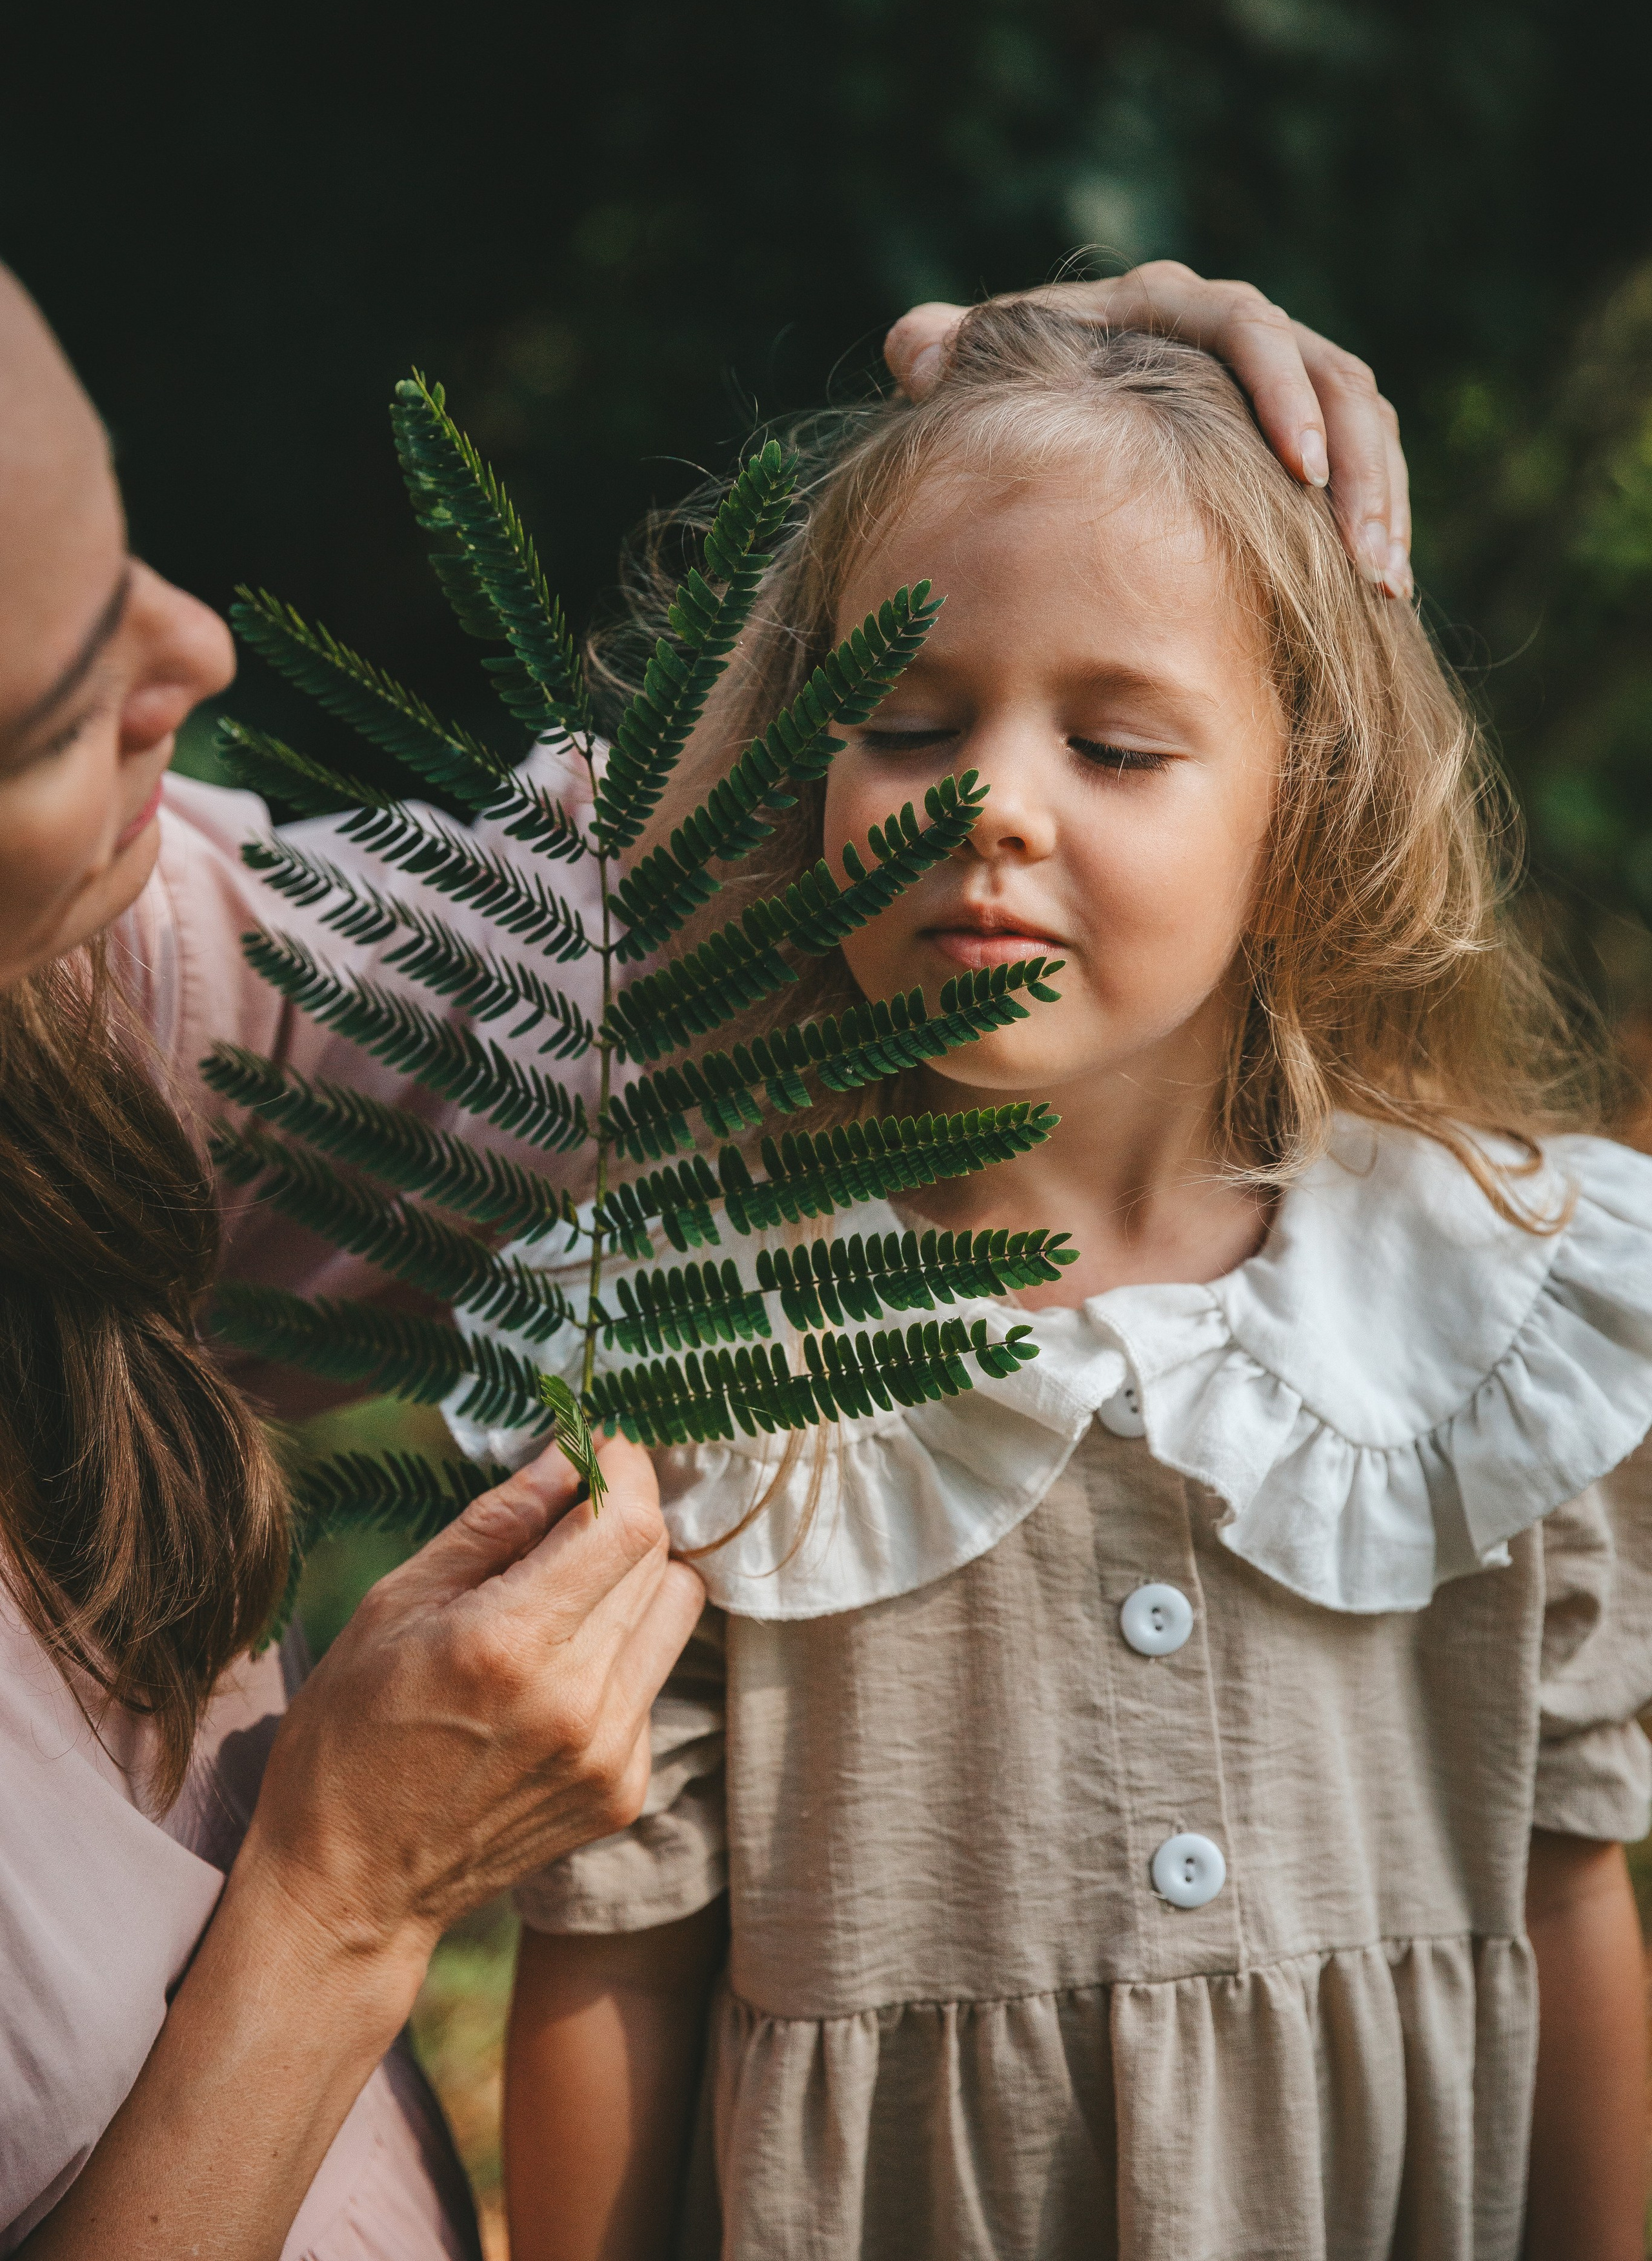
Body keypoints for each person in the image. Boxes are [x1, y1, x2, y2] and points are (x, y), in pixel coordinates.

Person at [0, 258, 1400, 2257]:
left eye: (121, 552)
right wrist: (341, 1903)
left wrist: (1033, 462)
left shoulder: (97, 995)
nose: (199, 648)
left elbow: (659, 957)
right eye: (57, 695)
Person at [496, 305, 1652, 2261]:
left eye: (1112, 743)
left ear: (1308, 809)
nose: (985, 804)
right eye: (911, 725)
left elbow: (1569, 1901)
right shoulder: (709, 1335)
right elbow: (614, 1962)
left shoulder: (1494, 1311)